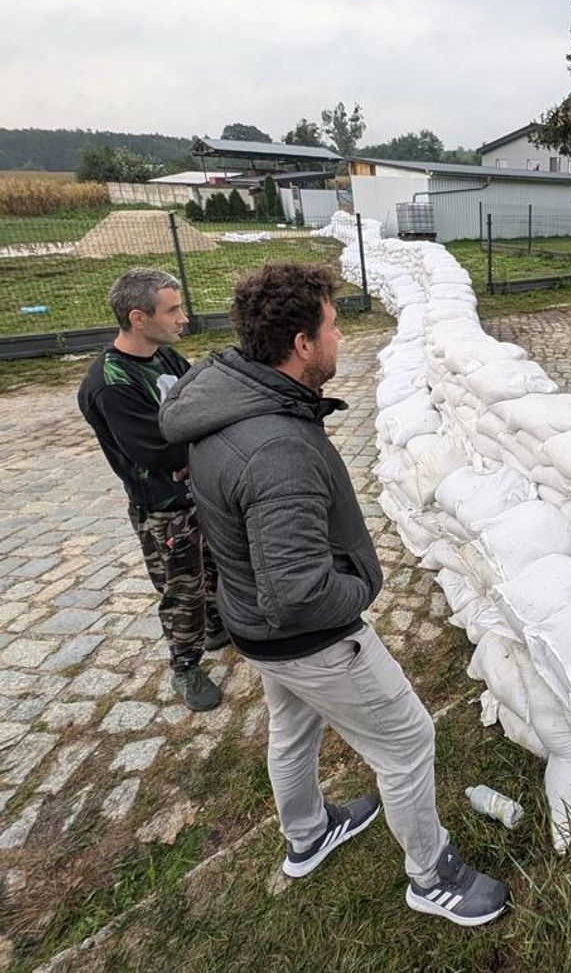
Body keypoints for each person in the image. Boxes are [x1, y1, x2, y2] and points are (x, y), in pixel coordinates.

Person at [159, 262, 508, 927]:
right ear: (299, 343)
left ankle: (308, 833)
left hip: (254, 624)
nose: (341, 338)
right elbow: (298, 591)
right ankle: (430, 874)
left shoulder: (231, 396)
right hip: (309, 638)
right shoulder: (275, 449)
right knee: (407, 741)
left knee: (292, 728)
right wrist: (361, 586)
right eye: (334, 325)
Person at [78, 267, 227, 713]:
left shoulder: (166, 358)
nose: (183, 318)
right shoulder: (111, 383)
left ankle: (217, 625)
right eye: (173, 309)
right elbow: (158, 453)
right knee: (182, 589)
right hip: (163, 509)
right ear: (138, 317)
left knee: (216, 568)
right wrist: (204, 440)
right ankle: (186, 668)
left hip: (196, 492)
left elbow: (201, 401)